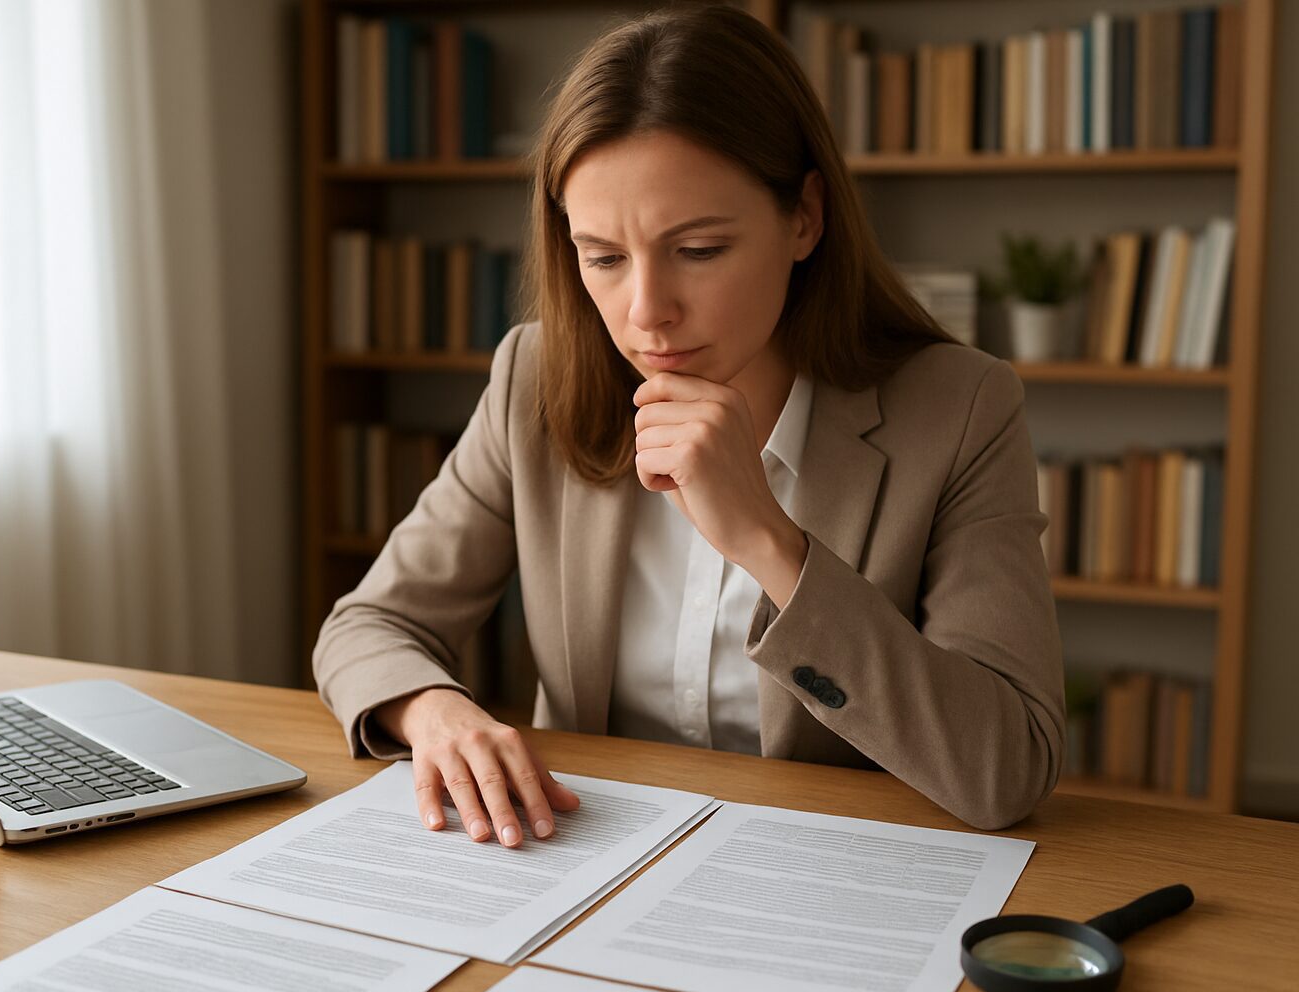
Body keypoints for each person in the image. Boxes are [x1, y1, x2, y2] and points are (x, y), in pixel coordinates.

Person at [314, 4, 1064, 846]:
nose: (647, 314)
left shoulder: (960, 408)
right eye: (602, 257)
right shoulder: (537, 377)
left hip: (832, 877)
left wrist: (770, 543)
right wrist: (435, 711)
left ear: (805, 217)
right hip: (577, 860)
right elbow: (370, 625)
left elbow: (1009, 767)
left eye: (699, 250)